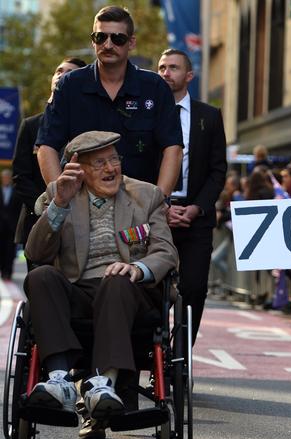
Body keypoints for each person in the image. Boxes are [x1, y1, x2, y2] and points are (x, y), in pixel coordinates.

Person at [23, 131, 177, 427]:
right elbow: (36, 252)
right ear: (79, 169)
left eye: (114, 160)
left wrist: (138, 268)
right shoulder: (60, 193)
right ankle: (58, 380)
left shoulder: (146, 195)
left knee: (116, 278)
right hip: (79, 293)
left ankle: (103, 385)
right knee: (41, 276)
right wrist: (59, 204)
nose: (111, 169)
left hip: (132, 293)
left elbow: (166, 251)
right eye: (100, 163)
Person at [36, 5, 183, 196]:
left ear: (131, 43)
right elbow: (46, 146)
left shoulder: (154, 87)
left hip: (139, 206)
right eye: (100, 37)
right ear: (93, 41)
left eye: (117, 38)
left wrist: (159, 201)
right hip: (82, 204)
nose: (107, 44)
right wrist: (61, 197)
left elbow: (173, 148)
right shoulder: (69, 86)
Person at [158, 48, 227, 344]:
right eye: (161, 67)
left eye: (173, 68)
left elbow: (218, 170)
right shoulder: (147, 113)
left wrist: (197, 207)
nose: (165, 73)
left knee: (195, 288)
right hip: (155, 214)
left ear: (189, 75)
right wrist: (161, 206)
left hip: (195, 218)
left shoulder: (209, 116)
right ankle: (154, 349)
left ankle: (181, 352)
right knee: (149, 285)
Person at [12, 58, 87, 266]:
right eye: (59, 71)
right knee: (39, 286)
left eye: (70, 72)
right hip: (38, 222)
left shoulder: (87, 126)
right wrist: (49, 206)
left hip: (80, 226)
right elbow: (20, 177)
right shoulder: (31, 125)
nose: (62, 75)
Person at [0, 169, 21, 280]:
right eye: (4, 177)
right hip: (0, 227)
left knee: (10, 251)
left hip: (12, 227)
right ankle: (2, 270)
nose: (6, 179)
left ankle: (8, 272)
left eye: (8, 177)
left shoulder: (16, 192)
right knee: (1, 250)